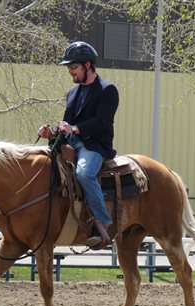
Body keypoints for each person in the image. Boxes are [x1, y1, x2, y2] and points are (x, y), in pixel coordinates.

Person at [38, 41, 119, 249]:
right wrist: (52, 133)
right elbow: (66, 123)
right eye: (69, 68)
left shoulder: (107, 90)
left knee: (84, 173)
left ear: (88, 65)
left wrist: (74, 129)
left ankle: (103, 223)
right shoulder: (73, 93)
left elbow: (102, 122)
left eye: (73, 67)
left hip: (95, 146)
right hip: (72, 143)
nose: (70, 72)